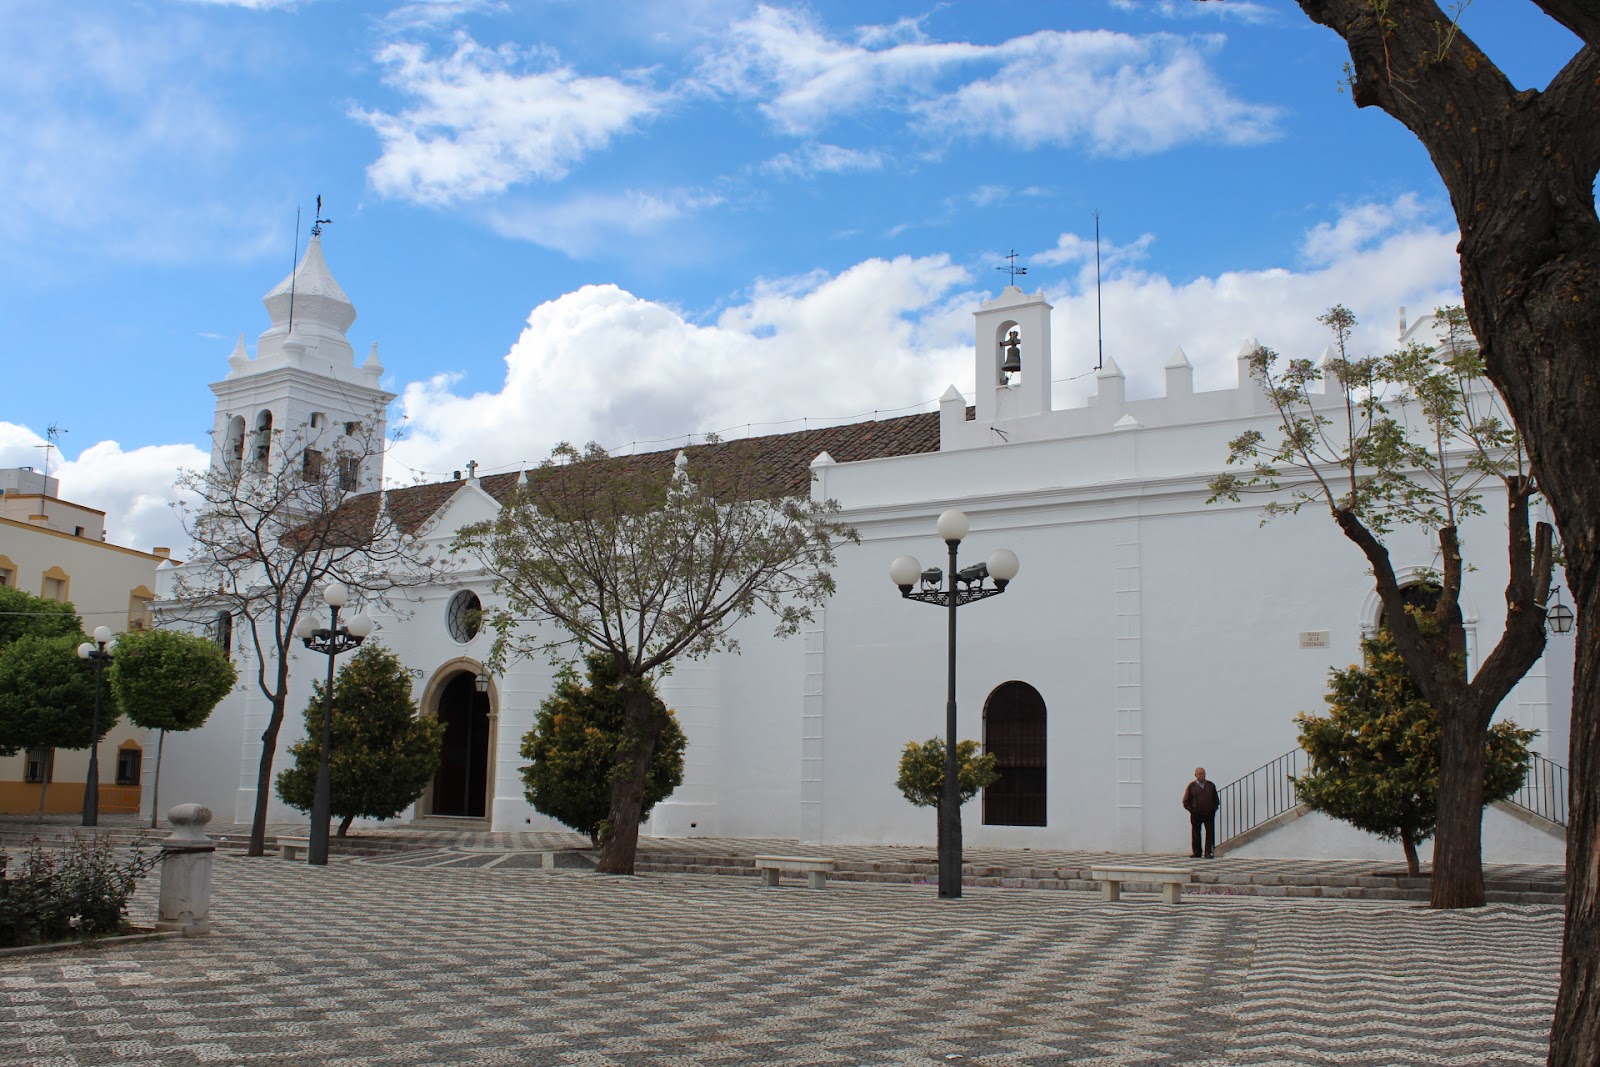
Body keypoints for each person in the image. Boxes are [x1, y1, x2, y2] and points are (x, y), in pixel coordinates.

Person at [1182, 767, 1220, 858]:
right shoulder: (1191, 786)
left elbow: (1216, 800)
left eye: (1203, 774)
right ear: (1195, 775)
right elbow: (1186, 801)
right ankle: (1197, 852)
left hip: (1209, 814)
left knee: (1210, 833)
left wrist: (1213, 809)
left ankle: (1208, 852)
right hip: (1196, 815)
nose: (1202, 775)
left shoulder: (1211, 785)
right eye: (1200, 774)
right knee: (1196, 834)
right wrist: (1193, 811)